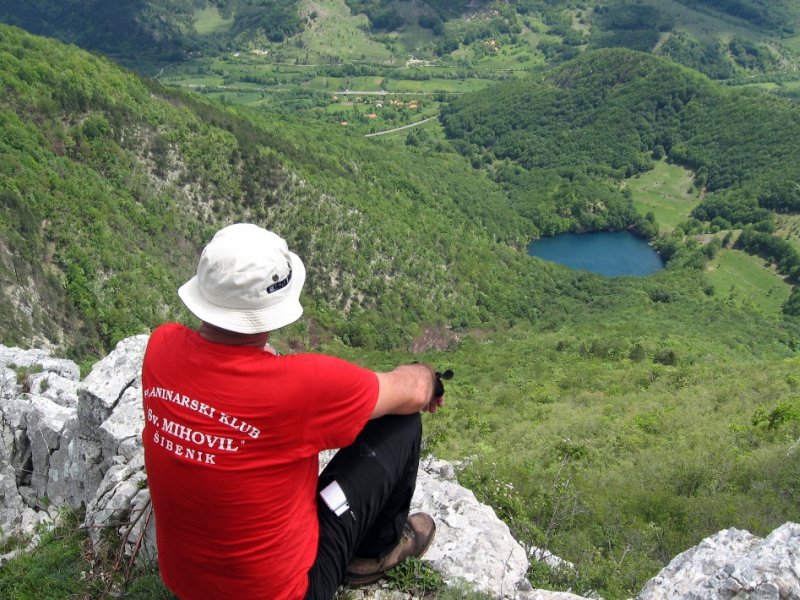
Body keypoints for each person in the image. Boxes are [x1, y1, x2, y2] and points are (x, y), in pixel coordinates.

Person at [141, 223, 445, 600]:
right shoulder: (302, 385)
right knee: (402, 424)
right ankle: (373, 555)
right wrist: (431, 377)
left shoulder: (161, 347)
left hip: (187, 584)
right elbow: (412, 392)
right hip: (290, 592)